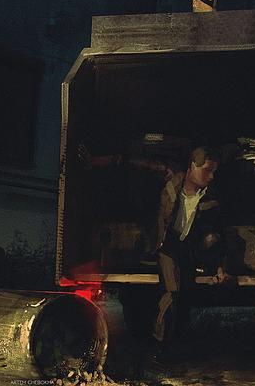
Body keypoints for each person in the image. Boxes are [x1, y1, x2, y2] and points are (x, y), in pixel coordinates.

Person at [79, 144, 229, 352]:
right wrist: (97, 161)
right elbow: (137, 163)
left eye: (214, 171)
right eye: (207, 170)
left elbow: (217, 236)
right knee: (171, 292)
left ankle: (174, 341)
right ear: (192, 166)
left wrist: (220, 267)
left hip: (190, 251)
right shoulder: (171, 181)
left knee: (184, 296)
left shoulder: (212, 199)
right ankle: (160, 343)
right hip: (167, 247)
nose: (211, 177)